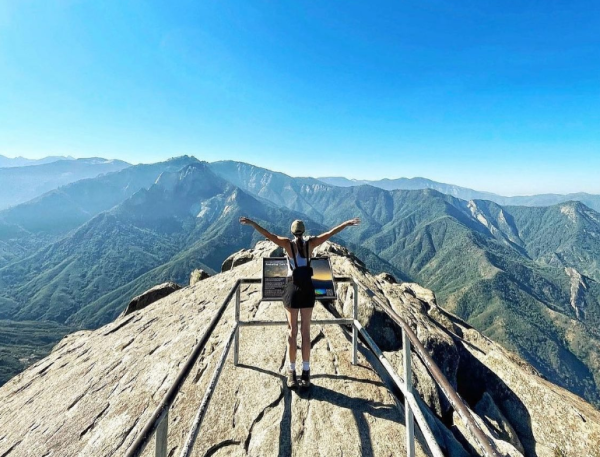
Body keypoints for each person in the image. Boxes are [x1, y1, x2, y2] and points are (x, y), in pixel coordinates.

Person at [239, 216, 361, 388]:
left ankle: (291, 372)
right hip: (308, 291)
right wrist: (346, 223)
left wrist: (252, 223)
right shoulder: (311, 243)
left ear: (292, 231)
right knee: (305, 332)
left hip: (292, 290)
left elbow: (268, 234)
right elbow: (330, 233)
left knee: (292, 331)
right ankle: (306, 372)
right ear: (304, 232)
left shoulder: (287, 244)